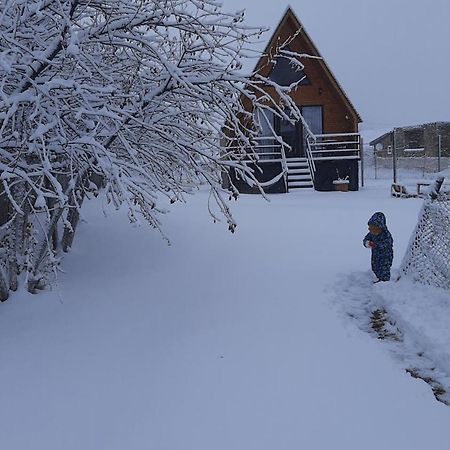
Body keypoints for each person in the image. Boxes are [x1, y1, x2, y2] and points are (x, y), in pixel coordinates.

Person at [363, 212, 393, 282]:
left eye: (375, 229)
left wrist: (376, 245)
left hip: (386, 256)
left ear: (381, 227)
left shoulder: (386, 235)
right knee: (375, 267)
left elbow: (387, 244)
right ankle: (379, 278)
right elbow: (366, 239)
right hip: (375, 254)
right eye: (370, 229)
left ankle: (384, 282)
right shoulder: (371, 234)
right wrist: (366, 243)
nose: (372, 231)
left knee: (384, 269)